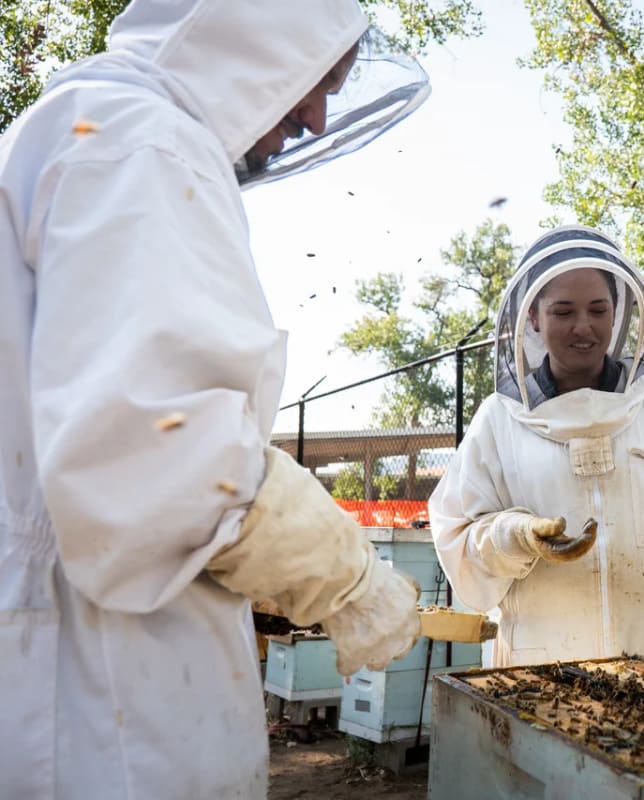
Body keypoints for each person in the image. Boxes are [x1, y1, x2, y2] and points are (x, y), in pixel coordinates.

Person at [0, 1, 432, 796]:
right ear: (247, 30)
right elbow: (158, 452)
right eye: (312, 79)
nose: (313, 117)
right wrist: (346, 577)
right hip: (110, 704)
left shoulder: (80, 129)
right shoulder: (140, 142)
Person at [430, 226, 644, 678]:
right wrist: (513, 537)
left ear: (618, 314)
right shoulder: (499, 419)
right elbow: (460, 547)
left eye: (597, 309)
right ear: (533, 318)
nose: (582, 326)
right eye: (563, 311)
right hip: (540, 675)